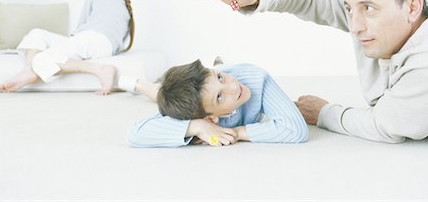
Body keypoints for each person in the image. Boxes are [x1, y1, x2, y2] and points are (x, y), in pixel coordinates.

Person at [203, 0, 428, 143]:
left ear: (413, 7)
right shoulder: (386, 20)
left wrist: (324, 113)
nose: (355, 26)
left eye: (369, 8)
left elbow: (385, 125)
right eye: (349, 9)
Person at [0, 0, 135, 95]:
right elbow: (120, 43)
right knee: (37, 33)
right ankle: (30, 70)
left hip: (89, 39)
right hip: (99, 45)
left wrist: (71, 41)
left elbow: (82, 22)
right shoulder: (128, 10)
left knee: (42, 57)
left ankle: (99, 69)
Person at [126, 59, 308, 147]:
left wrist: (236, 132)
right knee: (160, 94)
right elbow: (135, 135)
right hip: (200, 103)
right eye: (220, 97)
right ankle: (140, 84)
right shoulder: (196, 112)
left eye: (221, 78)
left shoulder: (255, 79)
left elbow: (296, 129)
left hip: (226, 70)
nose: (234, 87)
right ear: (209, 118)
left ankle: (219, 65)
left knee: (162, 92)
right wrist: (196, 126)